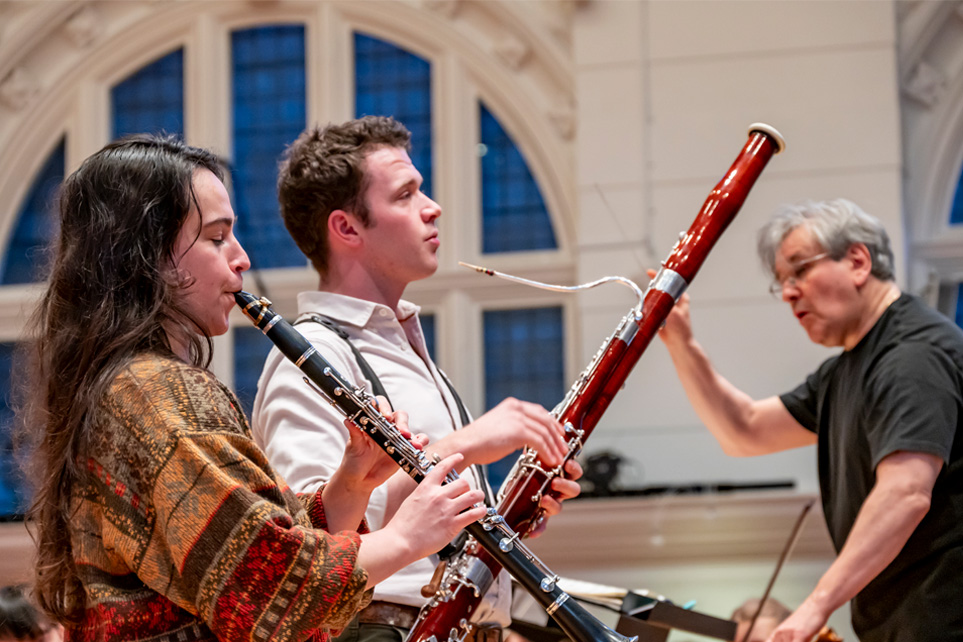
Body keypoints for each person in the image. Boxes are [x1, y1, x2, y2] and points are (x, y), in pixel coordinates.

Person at [17, 134, 486, 642]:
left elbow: (244, 541)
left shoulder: (123, 385)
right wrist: (406, 538)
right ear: (148, 256)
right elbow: (265, 590)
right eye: (217, 239)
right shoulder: (157, 393)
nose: (240, 258)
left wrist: (349, 485)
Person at [252, 116, 581, 641]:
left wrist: (508, 515)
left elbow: (428, 519)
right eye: (405, 195)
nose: (432, 207)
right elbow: (316, 537)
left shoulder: (405, 348)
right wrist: (465, 446)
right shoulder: (313, 357)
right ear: (347, 228)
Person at [655, 198, 963, 642]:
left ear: (857, 261)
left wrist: (814, 606)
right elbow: (743, 430)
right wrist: (681, 343)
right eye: (782, 281)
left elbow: (906, 492)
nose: (789, 292)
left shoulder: (912, 356)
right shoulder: (845, 371)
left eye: (800, 270)